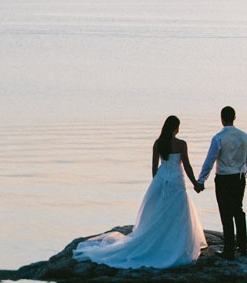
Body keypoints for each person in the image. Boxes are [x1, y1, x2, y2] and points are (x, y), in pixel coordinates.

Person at [73, 115, 207, 269]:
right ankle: (175, 244)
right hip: (177, 180)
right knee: (177, 212)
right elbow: (187, 166)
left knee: (160, 211)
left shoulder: (158, 143)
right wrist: (195, 184)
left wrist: (157, 184)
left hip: (161, 179)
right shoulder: (181, 144)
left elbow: (154, 167)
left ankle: (159, 240)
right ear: (176, 128)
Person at [196, 106, 247, 260]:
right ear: (234, 117)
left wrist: (201, 180)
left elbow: (210, 160)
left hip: (224, 178)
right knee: (238, 210)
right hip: (239, 177)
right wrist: (243, 173)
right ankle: (243, 247)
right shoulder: (244, 136)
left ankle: (229, 250)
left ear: (222, 119)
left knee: (226, 214)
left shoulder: (218, 138)